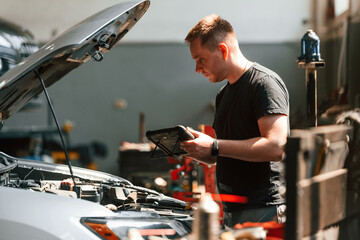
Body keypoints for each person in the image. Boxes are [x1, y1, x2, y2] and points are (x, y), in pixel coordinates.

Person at [180, 14, 289, 228]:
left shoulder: (264, 84)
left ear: (222, 50)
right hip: (234, 210)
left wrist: (214, 146)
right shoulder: (224, 94)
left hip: (263, 208)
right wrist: (202, 149)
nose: (197, 69)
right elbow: (227, 152)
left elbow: (276, 147)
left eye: (201, 59)